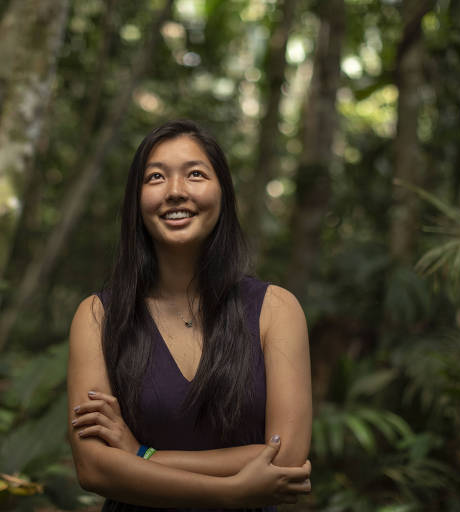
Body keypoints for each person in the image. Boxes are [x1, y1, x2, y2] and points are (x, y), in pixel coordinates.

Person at [66, 120, 312, 510]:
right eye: (156, 177)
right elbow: (94, 469)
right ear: (137, 200)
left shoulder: (276, 309)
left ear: (223, 193)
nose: (176, 192)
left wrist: (143, 456)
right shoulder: (97, 316)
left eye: (195, 174)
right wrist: (231, 492)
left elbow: (286, 458)